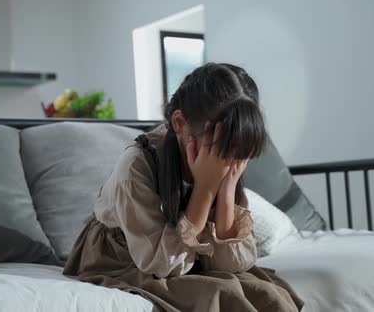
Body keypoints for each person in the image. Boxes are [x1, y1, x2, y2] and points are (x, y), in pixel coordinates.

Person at [63, 63, 304, 312]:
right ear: (179, 122)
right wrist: (205, 188)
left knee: (269, 292)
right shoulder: (138, 163)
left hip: (183, 251)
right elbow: (162, 264)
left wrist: (227, 187)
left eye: (237, 154)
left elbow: (229, 265)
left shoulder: (228, 163)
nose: (226, 162)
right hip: (129, 254)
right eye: (217, 149)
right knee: (221, 294)